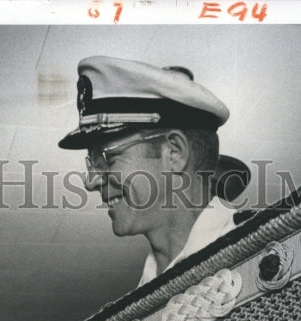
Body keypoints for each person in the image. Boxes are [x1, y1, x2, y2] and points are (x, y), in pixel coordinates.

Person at [58, 55, 247, 286]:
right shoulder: (137, 305)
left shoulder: (261, 258)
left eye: (108, 158)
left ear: (174, 153)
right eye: (93, 163)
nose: (90, 182)